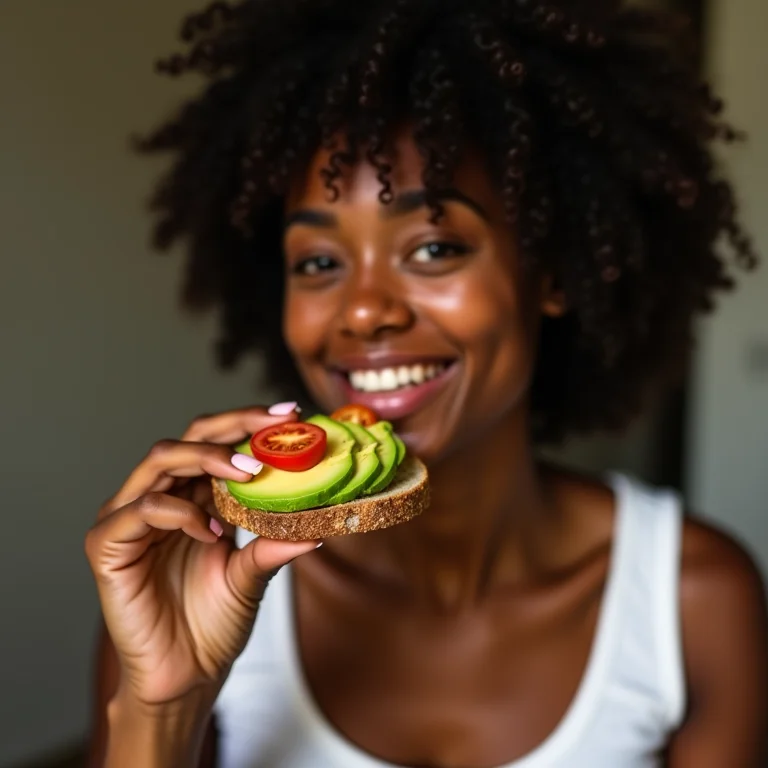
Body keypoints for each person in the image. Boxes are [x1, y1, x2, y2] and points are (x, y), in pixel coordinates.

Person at [85, 1, 768, 766]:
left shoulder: (694, 597)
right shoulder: (198, 573)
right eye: (318, 262)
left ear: (550, 272)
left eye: (434, 246)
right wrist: (163, 706)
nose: (364, 310)